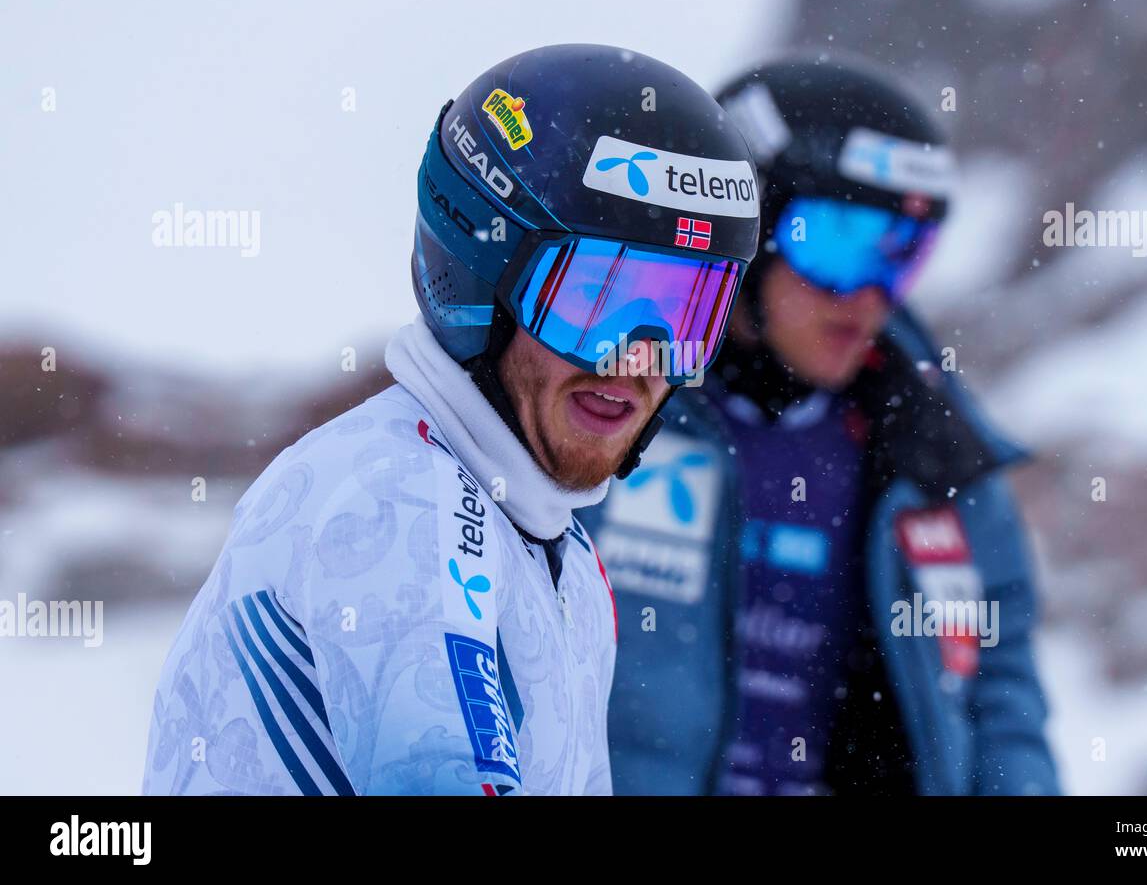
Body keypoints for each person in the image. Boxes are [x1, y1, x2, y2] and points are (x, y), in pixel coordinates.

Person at [142, 43, 760, 795]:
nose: (638, 359)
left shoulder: (560, 558)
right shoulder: (395, 501)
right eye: (595, 300)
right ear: (480, 273)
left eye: (682, 313)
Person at [583, 54, 1060, 795]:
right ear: (747, 222)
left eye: (904, 254)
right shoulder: (601, 406)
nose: (871, 295)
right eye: (838, 240)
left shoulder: (935, 456)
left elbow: (998, 691)